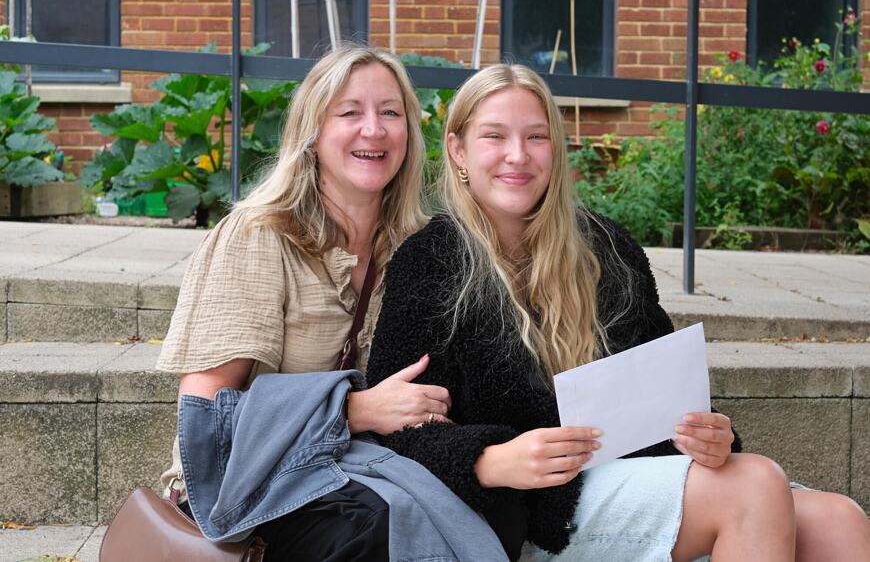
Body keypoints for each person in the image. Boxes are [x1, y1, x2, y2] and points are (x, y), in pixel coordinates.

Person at [365, 63, 870, 561]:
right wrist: (490, 459)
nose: (517, 156)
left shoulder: (605, 246)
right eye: (494, 136)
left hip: (629, 470)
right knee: (754, 486)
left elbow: (668, 385)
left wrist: (710, 434)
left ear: (556, 148)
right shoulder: (428, 262)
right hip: (529, 507)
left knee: (839, 521)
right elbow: (395, 435)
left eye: (536, 137)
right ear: (458, 149)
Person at [155, 44, 455, 561]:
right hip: (249, 484)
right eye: (350, 112)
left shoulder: (423, 248)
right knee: (379, 528)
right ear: (312, 134)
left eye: (390, 112)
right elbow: (206, 419)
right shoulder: (257, 238)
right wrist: (352, 409)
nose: (374, 129)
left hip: (362, 470)